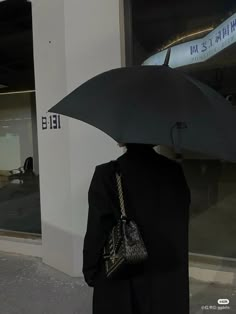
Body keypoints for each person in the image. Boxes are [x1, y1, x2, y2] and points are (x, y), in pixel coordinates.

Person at [83, 143, 191, 314]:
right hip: (165, 273)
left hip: (121, 270)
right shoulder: (174, 172)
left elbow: (97, 229)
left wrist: (90, 270)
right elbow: (180, 221)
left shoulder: (108, 174)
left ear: (122, 140)